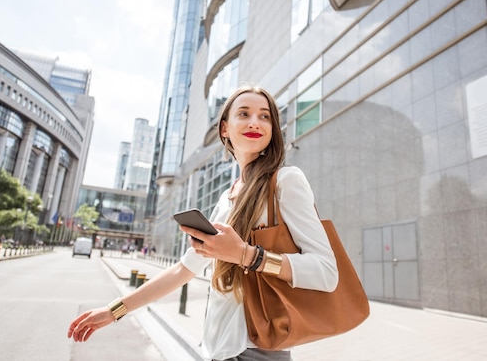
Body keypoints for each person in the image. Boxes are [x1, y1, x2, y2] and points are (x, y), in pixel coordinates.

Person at [67, 85, 338, 360]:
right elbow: (183, 271)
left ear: (273, 129)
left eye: (265, 116)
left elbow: (327, 272)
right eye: (244, 113)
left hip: (261, 351)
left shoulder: (285, 181)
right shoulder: (226, 198)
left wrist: (246, 255)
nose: (255, 122)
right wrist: (114, 311)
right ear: (224, 129)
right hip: (217, 350)